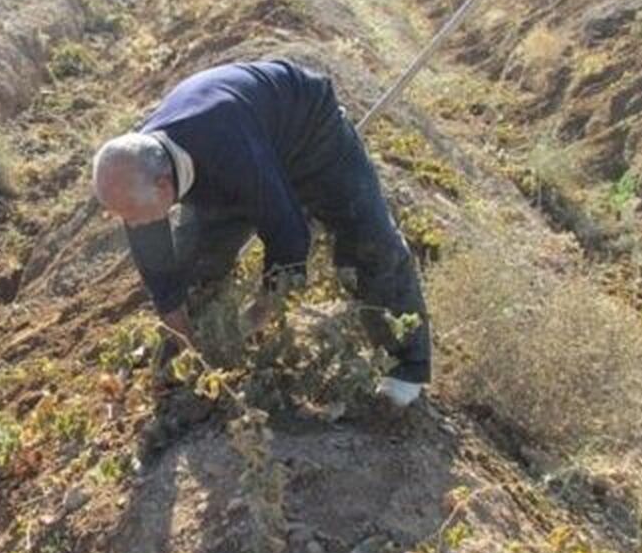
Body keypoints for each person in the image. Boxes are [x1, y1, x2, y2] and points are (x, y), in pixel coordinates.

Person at [93, 59, 431, 407]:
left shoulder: (229, 151)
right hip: (234, 155)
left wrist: (255, 318)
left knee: (369, 242)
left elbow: (288, 238)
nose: (131, 225)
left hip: (310, 135)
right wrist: (188, 345)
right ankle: (191, 356)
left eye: (131, 215)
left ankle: (407, 368)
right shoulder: (135, 173)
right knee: (196, 268)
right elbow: (162, 279)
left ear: (164, 187)